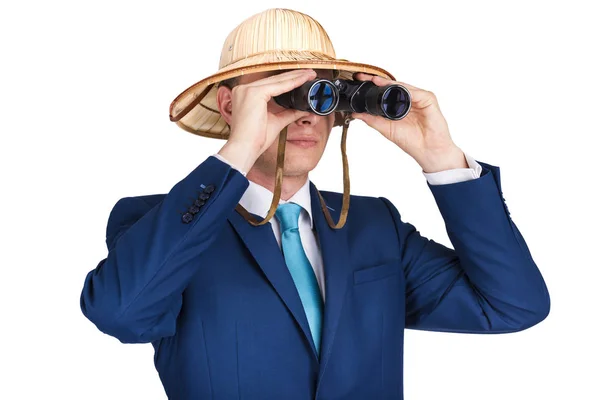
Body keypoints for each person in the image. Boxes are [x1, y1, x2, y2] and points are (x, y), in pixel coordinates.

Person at [80, 8, 550, 400]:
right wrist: (239, 150)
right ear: (229, 105)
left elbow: (512, 306)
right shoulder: (158, 224)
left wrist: (440, 157)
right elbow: (120, 313)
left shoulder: (373, 226)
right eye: (282, 92)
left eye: (323, 95)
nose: (307, 113)